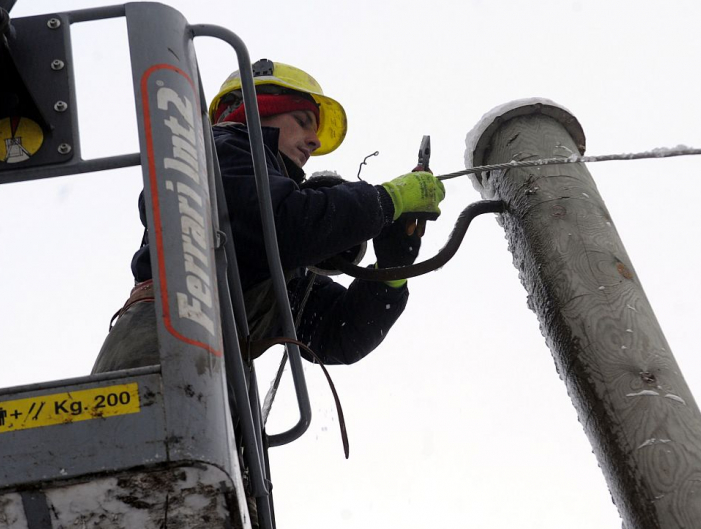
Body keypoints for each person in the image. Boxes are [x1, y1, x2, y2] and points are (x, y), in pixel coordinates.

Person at [92, 59, 445, 372]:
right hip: (157, 363)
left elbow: (339, 334)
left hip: (207, 382)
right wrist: (388, 199)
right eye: (303, 121)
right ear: (255, 111)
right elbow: (286, 224)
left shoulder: (269, 263)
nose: (314, 141)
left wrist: (391, 272)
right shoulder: (216, 153)